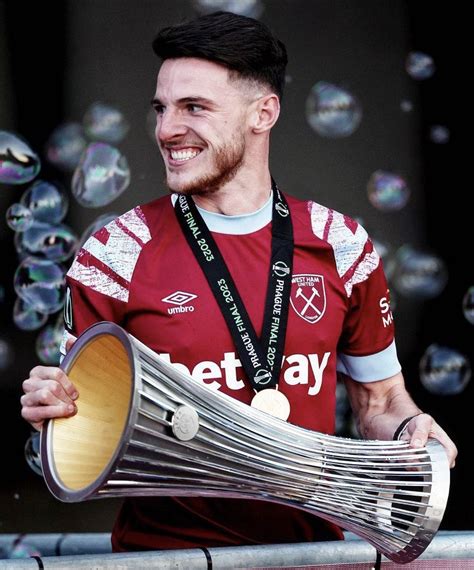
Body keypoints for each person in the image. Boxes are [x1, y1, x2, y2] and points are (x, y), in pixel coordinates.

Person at [21, 10, 457, 553]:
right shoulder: (114, 253)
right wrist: (53, 407)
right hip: (163, 561)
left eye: (194, 107)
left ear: (263, 113)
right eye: (161, 108)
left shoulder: (341, 244)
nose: (166, 130)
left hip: (313, 558)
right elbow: (81, 422)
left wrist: (411, 430)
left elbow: (381, 401)